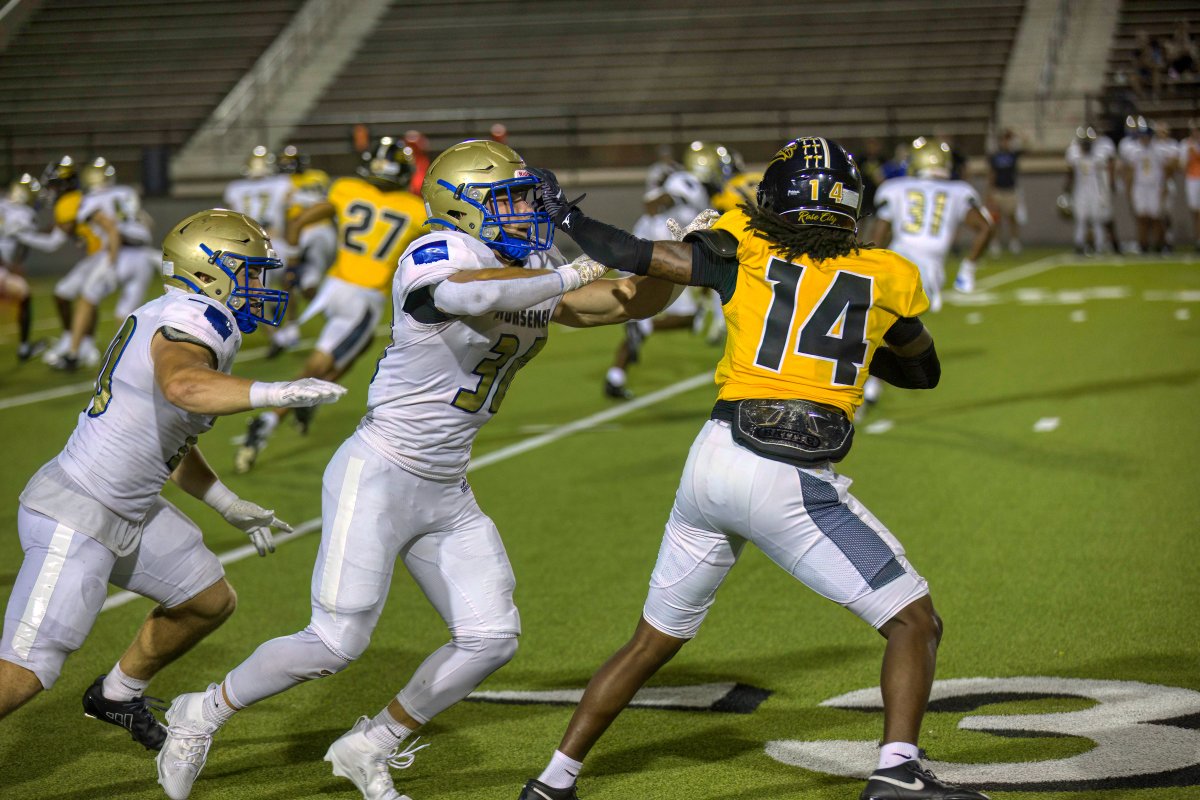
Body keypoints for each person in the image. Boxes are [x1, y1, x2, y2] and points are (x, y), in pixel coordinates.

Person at [154, 139, 691, 800]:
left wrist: (672, 262)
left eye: (526, 199)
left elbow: (625, 302)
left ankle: (371, 743)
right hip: (380, 468)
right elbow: (461, 297)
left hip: (446, 484)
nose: (526, 212)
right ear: (462, 206)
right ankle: (201, 712)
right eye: (509, 200)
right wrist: (569, 275)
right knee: (335, 642)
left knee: (491, 637)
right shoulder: (438, 251)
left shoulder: (530, 265)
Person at [519, 136, 988, 800]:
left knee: (651, 642)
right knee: (915, 622)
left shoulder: (747, 242)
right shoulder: (890, 274)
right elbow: (923, 371)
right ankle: (897, 772)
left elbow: (637, 254)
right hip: (787, 474)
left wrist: (566, 214)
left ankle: (553, 779)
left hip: (712, 460)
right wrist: (853, 338)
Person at [0, 210, 346, 750]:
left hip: (127, 508)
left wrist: (226, 502)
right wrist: (274, 393)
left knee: (207, 599)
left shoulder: (178, 311)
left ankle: (116, 694)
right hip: (80, 512)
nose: (260, 284)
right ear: (208, 273)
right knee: (25, 672)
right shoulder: (197, 315)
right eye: (249, 271)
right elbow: (183, 387)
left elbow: (171, 435)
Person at [234, 136, 428, 472]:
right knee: (317, 365)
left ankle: (309, 400)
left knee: (357, 347)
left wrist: (294, 263)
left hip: (333, 287)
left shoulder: (346, 189)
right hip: (364, 297)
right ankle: (269, 420)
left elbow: (300, 221)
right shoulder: (415, 210)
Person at [604, 169, 710, 400]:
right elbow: (653, 203)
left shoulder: (696, 201)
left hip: (644, 257)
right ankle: (644, 327)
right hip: (652, 258)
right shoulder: (685, 189)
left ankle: (615, 377)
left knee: (640, 321)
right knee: (689, 317)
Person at [54, 157, 158, 371]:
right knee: (126, 316)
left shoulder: (90, 200)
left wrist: (111, 262)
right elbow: (148, 223)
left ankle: (72, 354)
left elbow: (111, 228)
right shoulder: (126, 192)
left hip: (120, 253)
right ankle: (136, 363)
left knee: (87, 299)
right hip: (143, 256)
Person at [265, 144, 337, 357]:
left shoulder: (286, 183)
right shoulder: (317, 176)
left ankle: (294, 326)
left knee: (291, 278)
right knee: (306, 285)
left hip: (306, 232)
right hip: (322, 234)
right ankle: (326, 316)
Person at [39, 155, 107, 368]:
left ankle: (84, 345)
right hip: (97, 254)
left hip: (103, 254)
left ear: (64, 184)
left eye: (54, 185)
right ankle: (73, 339)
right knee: (64, 294)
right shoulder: (75, 199)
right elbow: (62, 229)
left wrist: (24, 234)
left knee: (87, 297)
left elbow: (54, 241)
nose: (51, 190)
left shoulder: (68, 203)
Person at [0, 173, 70, 361]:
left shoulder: (3, 204)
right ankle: (23, 348)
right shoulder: (24, 213)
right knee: (23, 295)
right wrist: (59, 232)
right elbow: (46, 244)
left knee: (23, 294)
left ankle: (24, 348)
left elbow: (19, 235)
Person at [1119, 119, 1177, 253]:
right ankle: (1143, 245)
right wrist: (1129, 189)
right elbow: (1130, 172)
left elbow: (1168, 169)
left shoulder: (1159, 150)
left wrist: (1164, 186)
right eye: (1142, 136)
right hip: (1140, 186)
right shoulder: (1134, 151)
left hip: (1155, 186)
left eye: (1146, 136)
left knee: (1156, 217)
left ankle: (1160, 245)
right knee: (1141, 217)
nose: (1144, 139)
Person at [1064, 127, 1117, 255]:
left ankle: (1098, 246)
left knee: (1097, 220)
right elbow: (1070, 172)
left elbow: (1107, 166)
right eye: (1084, 143)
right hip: (1080, 191)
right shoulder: (1075, 155)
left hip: (1094, 191)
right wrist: (1067, 189)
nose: (1086, 145)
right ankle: (1079, 245)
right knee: (1081, 220)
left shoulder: (1098, 156)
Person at [986, 129, 1022, 254]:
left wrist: (1016, 136)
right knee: (996, 219)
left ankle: (1014, 242)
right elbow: (992, 174)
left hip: (1011, 190)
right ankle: (996, 242)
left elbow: (1028, 145)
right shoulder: (995, 156)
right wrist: (990, 191)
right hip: (998, 190)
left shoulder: (1013, 154)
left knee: (1012, 217)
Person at [1183, 121, 1200, 251]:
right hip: (1192, 179)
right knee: (1195, 211)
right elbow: (1182, 164)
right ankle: (1198, 239)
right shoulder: (1186, 144)